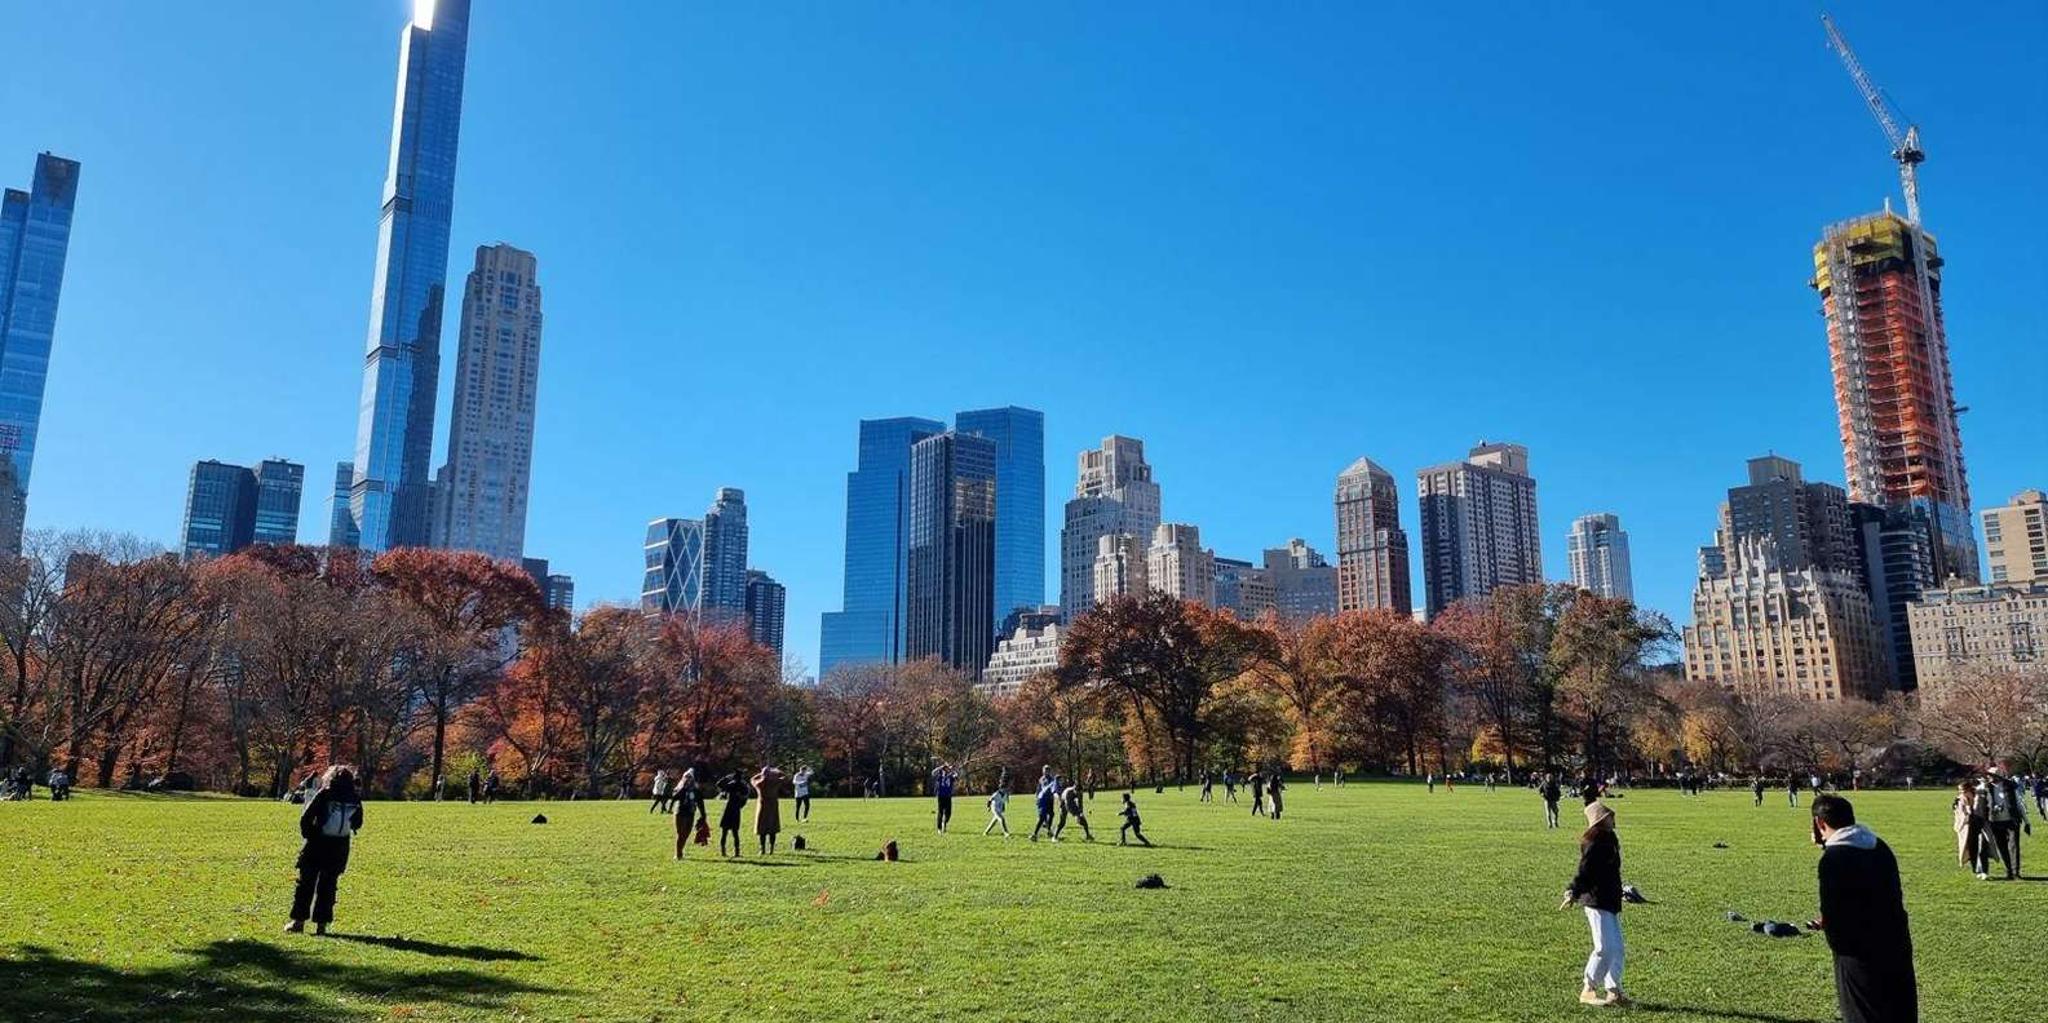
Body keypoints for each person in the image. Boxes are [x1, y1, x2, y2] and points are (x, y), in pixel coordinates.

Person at [1808, 795, 1917, 1023]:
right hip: (1896, 942)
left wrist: (1832, 927)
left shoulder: (1833, 859)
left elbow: (1836, 917)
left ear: (1819, 823)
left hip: (1859, 955)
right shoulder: (1879, 846)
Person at [1560, 800, 1627, 1007]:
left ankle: (1614, 990)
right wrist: (1573, 890)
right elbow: (1585, 871)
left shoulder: (1610, 839)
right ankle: (1588, 989)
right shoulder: (1595, 842)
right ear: (1600, 820)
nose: (1613, 818)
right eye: (1609, 816)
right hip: (1596, 901)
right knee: (1604, 948)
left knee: (1617, 949)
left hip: (1610, 899)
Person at [285, 766, 364, 936]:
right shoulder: (355, 798)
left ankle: (298, 921)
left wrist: (310, 835)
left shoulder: (325, 793)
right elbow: (357, 823)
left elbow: (306, 817)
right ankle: (321, 925)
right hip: (339, 847)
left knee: (306, 884)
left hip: (317, 844)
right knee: (328, 886)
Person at [1981, 766, 2030, 880]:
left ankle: (2015, 872)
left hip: (2011, 821)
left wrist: (2027, 822)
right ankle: (2009, 871)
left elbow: (2019, 804)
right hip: (1995, 822)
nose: (1988, 777)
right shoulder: (1986, 788)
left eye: (1991, 775)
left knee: (2014, 847)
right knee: (2002, 847)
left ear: (1997, 776)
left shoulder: (2009, 787)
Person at [752, 765, 786, 855]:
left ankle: (762, 849)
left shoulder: (759, 784)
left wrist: (761, 774)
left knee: (762, 829)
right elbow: (783, 776)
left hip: (762, 807)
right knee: (772, 829)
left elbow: (752, 779)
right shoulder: (775, 782)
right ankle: (771, 849)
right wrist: (776, 771)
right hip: (773, 807)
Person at [674, 768, 705, 860]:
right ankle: (678, 854)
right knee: (680, 833)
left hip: (690, 813)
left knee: (687, 833)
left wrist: (703, 815)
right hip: (680, 812)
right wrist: (683, 788)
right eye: (687, 778)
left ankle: (681, 851)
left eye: (690, 778)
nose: (689, 780)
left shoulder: (696, 790)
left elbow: (700, 802)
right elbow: (674, 797)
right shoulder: (679, 788)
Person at [716, 770, 749, 857]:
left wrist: (727, 777)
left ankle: (723, 851)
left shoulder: (731, 785)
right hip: (736, 810)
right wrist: (741, 805)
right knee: (735, 833)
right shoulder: (743, 786)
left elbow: (719, 784)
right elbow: (746, 797)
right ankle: (737, 852)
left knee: (724, 832)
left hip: (728, 808)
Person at [1030, 772, 1060, 842]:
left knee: (1051, 814)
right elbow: (1053, 791)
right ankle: (1034, 834)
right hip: (1043, 800)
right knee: (1042, 818)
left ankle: (1048, 831)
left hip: (1049, 800)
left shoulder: (1051, 779)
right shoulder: (1048, 780)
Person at [932, 763, 957, 833]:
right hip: (940, 795)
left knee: (948, 813)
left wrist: (952, 770)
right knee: (940, 812)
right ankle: (939, 828)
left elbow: (956, 775)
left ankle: (944, 823)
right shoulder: (940, 775)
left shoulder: (951, 776)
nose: (946, 770)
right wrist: (941, 767)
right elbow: (933, 773)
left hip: (948, 796)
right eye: (945, 768)